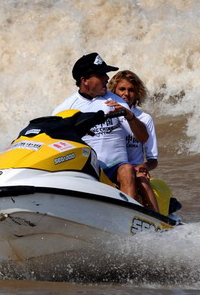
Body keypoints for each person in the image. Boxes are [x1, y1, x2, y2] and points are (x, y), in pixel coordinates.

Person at [52, 52, 148, 201]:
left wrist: (129, 116)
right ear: (85, 80)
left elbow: (142, 137)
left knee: (127, 169)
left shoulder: (115, 101)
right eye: (101, 74)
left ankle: (131, 214)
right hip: (90, 169)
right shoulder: (65, 108)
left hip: (117, 168)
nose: (107, 78)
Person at [108, 70, 159, 212]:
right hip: (112, 168)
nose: (126, 94)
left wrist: (144, 167)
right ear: (113, 90)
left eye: (131, 90)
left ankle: (158, 221)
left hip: (135, 170)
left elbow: (153, 159)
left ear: (137, 94)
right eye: (122, 89)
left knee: (141, 179)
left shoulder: (144, 119)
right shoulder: (106, 113)